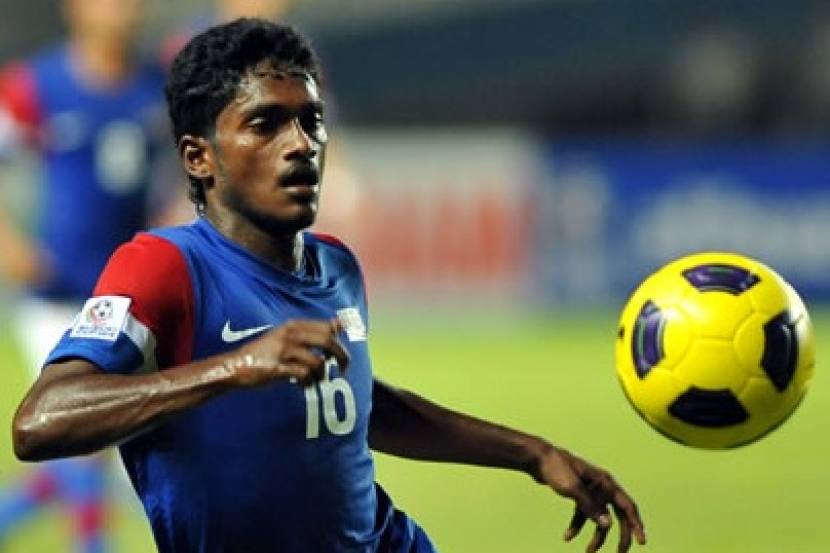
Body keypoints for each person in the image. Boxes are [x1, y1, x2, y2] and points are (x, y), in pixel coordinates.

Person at [11, 18, 647, 553]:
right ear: (198, 157)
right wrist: (233, 368)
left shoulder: (336, 265)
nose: (301, 145)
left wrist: (535, 454)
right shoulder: (165, 265)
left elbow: (363, 404)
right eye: (266, 124)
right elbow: (38, 422)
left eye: (311, 120)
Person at [0, 0, 179, 551]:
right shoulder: (35, 85)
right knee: (89, 432)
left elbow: (179, 171)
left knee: (97, 449)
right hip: (55, 292)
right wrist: (9, 245)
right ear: (75, 9)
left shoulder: (156, 84)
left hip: (124, 296)